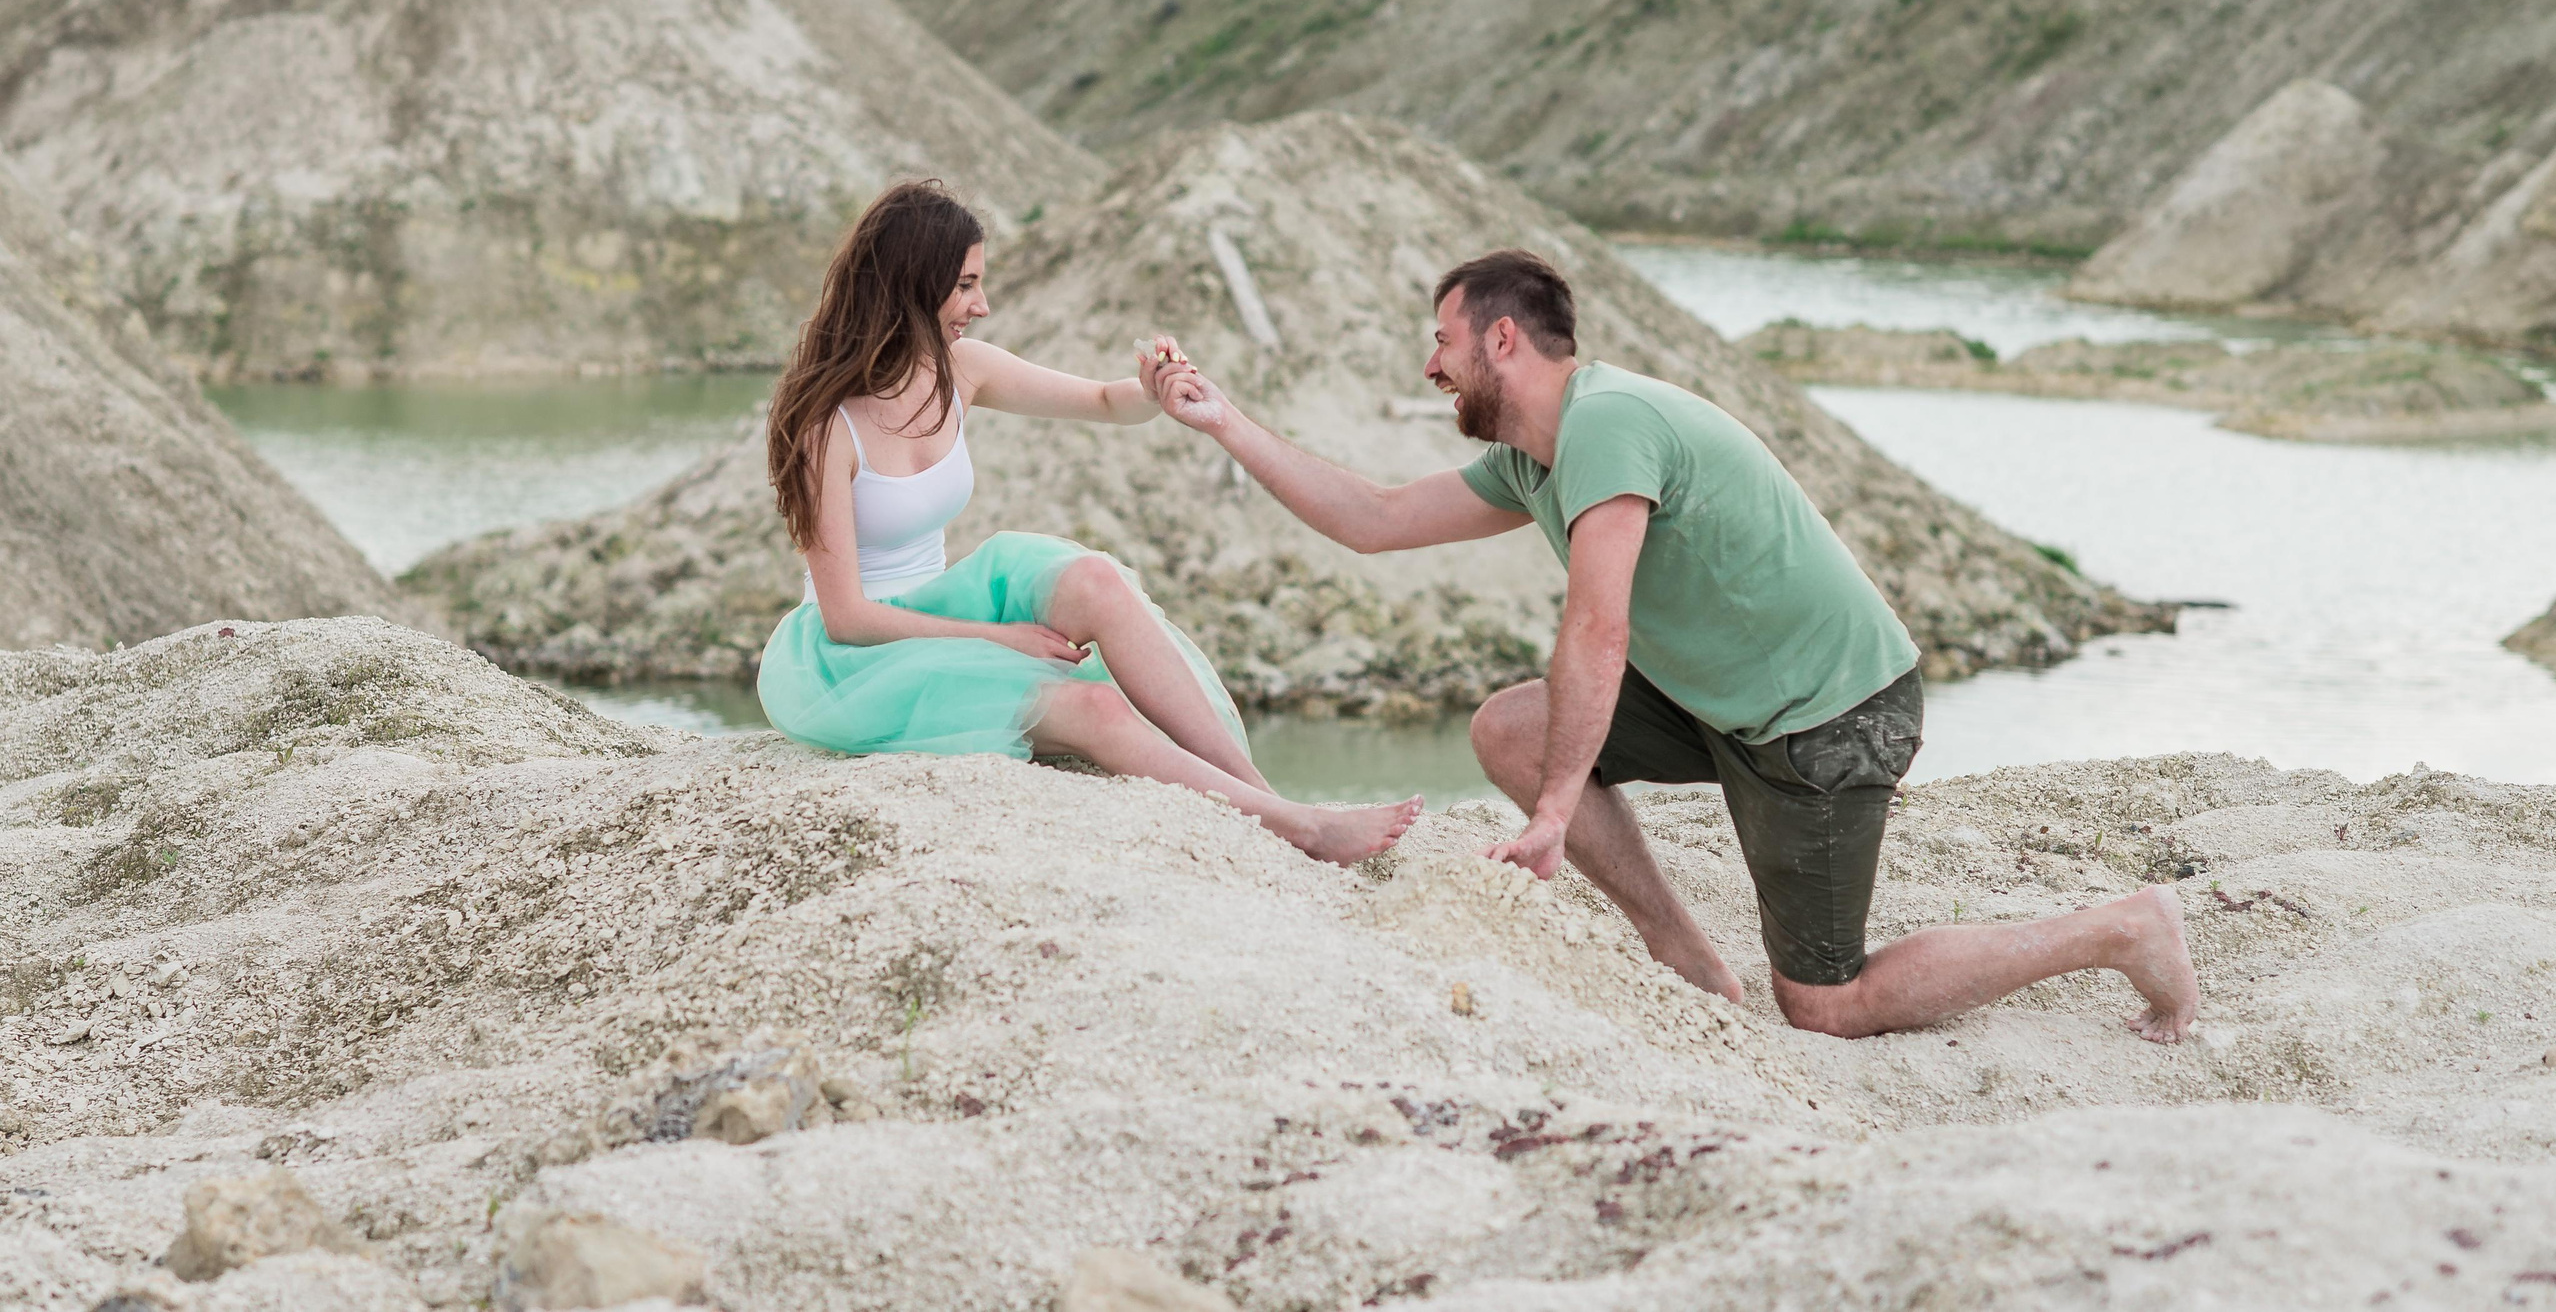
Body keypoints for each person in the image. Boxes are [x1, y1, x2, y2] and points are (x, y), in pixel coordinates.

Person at [1149, 248, 2199, 1040]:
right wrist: (1225, 422)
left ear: (1501, 341)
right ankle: (1683, 955)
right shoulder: (1533, 458)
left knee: (1824, 1003)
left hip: (1830, 718)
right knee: (1510, 728)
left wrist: (1558, 811)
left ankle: (2120, 930)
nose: (1431, 364)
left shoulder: (1608, 424)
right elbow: (1374, 520)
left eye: (1442, 341)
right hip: (1724, 704)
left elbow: (1597, 625)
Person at [755, 180, 1420, 866]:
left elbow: (1104, 401)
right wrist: (1000, 638)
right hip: (859, 658)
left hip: (940, 600)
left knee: (1097, 580)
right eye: (965, 285)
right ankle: (1302, 828)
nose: (981, 305)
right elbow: (847, 617)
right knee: (1098, 709)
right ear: (910, 283)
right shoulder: (825, 429)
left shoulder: (962, 369)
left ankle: (1270, 802)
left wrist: (1155, 391)